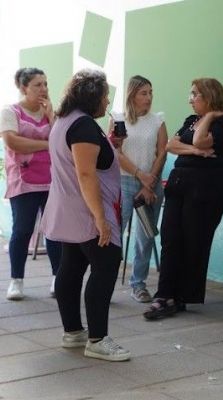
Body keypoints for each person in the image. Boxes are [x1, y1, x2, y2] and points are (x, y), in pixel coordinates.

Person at [40, 69, 130, 362]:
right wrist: (101, 219)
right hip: (87, 211)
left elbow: (84, 161)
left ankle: (74, 333)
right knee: (105, 266)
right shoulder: (83, 126)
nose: (107, 102)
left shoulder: (66, 121)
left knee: (71, 265)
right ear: (92, 97)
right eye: (105, 96)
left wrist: (111, 145)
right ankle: (97, 339)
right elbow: (86, 174)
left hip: (69, 209)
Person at [143, 78, 223, 320]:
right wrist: (195, 151)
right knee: (170, 238)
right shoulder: (190, 120)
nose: (190, 99)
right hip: (180, 184)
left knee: (193, 240)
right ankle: (164, 294)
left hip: (207, 188)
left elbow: (198, 139)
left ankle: (182, 296)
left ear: (210, 96)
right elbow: (171, 145)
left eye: (195, 94)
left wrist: (210, 116)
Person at [0, 67, 61, 300]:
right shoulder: (10, 112)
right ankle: (16, 280)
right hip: (23, 180)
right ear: (24, 88)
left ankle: (57, 278)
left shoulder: (50, 112)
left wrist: (52, 115)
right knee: (22, 229)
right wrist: (46, 145)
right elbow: (13, 142)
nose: (43, 89)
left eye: (45, 84)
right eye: (38, 85)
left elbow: (61, 140)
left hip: (51, 180)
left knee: (54, 230)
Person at [111, 75, 168, 303]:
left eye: (150, 92)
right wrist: (139, 175)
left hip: (151, 185)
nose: (149, 97)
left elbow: (162, 152)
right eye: (143, 93)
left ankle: (139, 284)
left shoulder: (158, 121)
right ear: (132, 95)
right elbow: (116, 152)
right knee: (115, 233)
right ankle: (105, 282)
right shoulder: (118, 119)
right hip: (125, 182)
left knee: (145, 236)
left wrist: (149, 180)